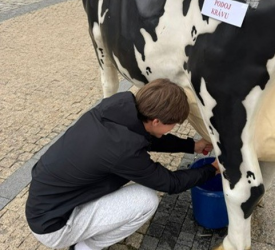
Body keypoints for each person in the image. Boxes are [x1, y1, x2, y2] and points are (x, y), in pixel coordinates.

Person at [26, 79, 219, 250]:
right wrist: (212, 169)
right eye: (173, 124)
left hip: (49, 199)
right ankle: (85, 247)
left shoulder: (116, 110)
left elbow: (149, 138)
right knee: (146, 200)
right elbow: (171, 183)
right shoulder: (123, 150)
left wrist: (192, 145)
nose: (173, 127)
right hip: (54, 226)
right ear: (157, 121)